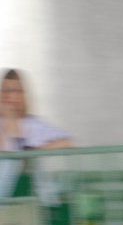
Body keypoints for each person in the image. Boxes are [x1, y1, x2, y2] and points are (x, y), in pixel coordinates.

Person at [0, 69, 72, 197]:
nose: (9, 96)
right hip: (4, 190)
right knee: (9, 163)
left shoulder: (33, 124)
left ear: (22, 94)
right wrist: (8, 118)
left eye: (14, 91)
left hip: (28, 190)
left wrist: (37, 150)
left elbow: (67, 141)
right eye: (5, 90)